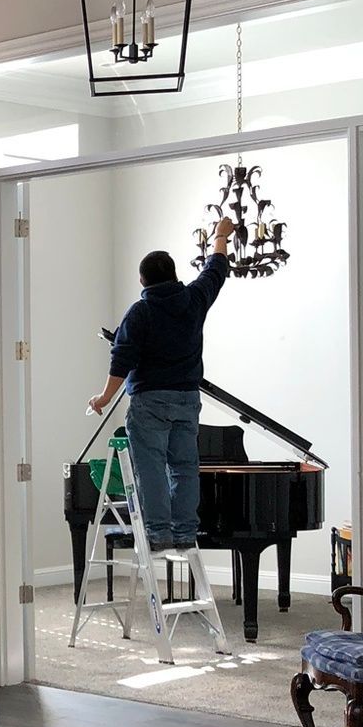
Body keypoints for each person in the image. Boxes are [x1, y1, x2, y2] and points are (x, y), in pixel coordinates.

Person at [86, 218, 235, 554]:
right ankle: (184, 533)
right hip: (186, 400)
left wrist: (104, 398)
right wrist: (220, 236)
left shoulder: (139, 312)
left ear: (142, 280)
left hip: (150, 402)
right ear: (173, 274)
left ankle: (158, 534)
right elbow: (216, 269)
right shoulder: (195, 299)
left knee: (151, 468)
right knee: (184, 468)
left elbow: (121, 360)